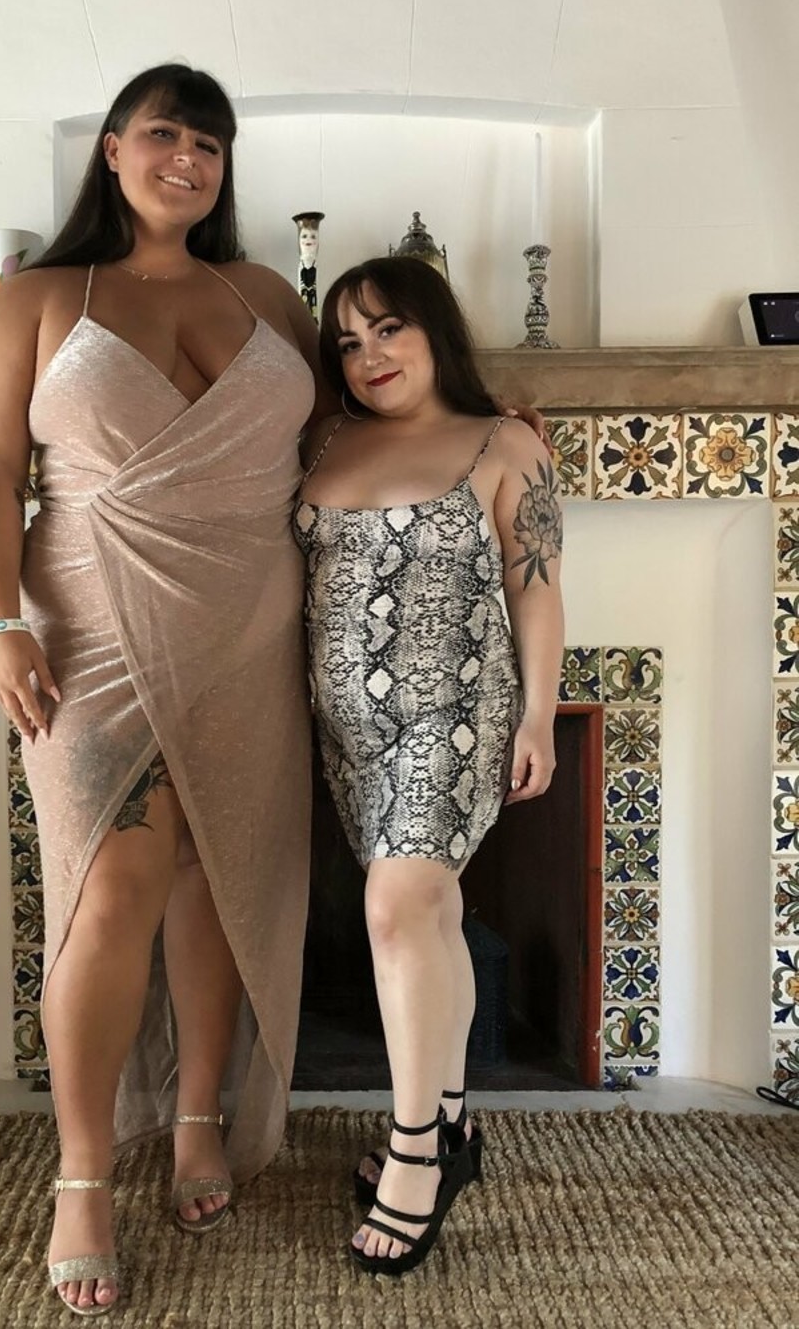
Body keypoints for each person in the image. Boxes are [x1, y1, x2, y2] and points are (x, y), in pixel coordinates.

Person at [0, 62, 546, 1315]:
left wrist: (491, 426)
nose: (188, 159)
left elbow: (362, 420)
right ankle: (81, 1175)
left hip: (253, 630)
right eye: (165, 134)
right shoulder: (39, 300)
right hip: (93, 627)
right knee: (112, 888)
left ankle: (198, 1120)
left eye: (211, 144)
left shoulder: (269, 295)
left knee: (216, 877)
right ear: (113, 148)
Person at [293, 256, 564, 1275]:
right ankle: (451, 1125)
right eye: (348, 341)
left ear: (434, 329)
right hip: (346, 731)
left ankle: (414, 1154)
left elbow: (536, 587)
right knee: (432, 915)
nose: (368, 355)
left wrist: (539, 716)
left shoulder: (506, 444)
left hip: (456, 713)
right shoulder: (321, 437)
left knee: (398, 909)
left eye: (389, 328)